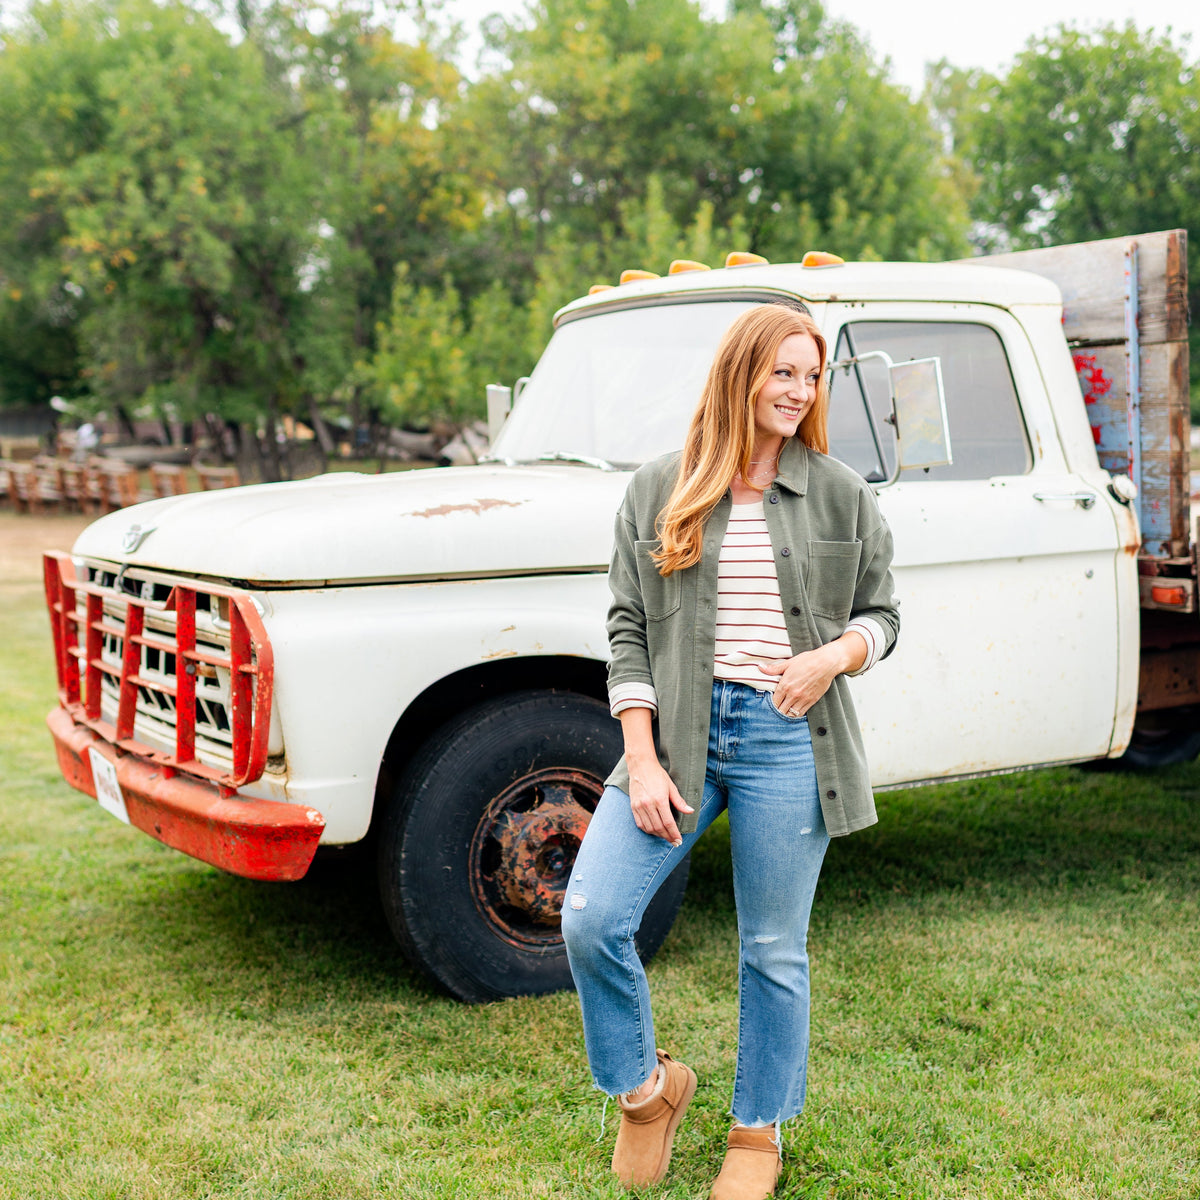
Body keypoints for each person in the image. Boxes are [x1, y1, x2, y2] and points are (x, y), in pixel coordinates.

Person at [561, 303, 900, 1200]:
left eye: (812, 376)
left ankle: (758, 1130)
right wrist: (640, 759)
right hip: (676, 737)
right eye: (782, 372)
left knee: (773, 948)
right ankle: (646, 1094)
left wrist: (832, 657)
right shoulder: (660, 486)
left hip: (788, 738)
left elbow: (884, 615)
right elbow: (627, 628)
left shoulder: (840, 492)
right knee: (591, 916)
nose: (799, 391)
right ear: (740, 374)